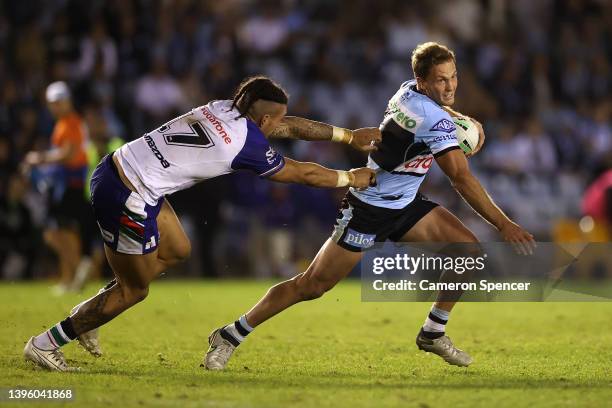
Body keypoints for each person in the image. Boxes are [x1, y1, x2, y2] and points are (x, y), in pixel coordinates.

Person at [205, 42, 536, 370]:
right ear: (423, 82)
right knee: (311, 286)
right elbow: (461, 178)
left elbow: (442, 112)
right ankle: (230, 334)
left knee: (468, 252)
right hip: (368, 208)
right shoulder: (431, 119)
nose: (449, 86)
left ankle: (433, 332)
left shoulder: (407, 91)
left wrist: (462, 121)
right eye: (440, 80)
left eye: (453, 77)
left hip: (405, 204)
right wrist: (503, 224)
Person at [23, 75, 380, 371]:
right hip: (128, 196)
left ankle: (95, 311)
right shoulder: (246, 144)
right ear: (262, 120)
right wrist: (351, 177)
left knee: (178, 249)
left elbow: (289, 126)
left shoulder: (223, 107)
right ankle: (46, 342)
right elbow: (302, 173)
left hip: (120, 167)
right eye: (275, 119)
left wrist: (346, 136)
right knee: (134, 291)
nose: (279, 124)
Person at [22, 81, 89, 295]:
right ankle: (71, 277)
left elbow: (68, 155)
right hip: (68, 183)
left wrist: (38, 158)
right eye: (53, 103)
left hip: (70, 183)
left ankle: (74, 274)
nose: (55, 106)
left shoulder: (70, 123)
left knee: (55, 232)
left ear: (68, 101)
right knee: (63, 232)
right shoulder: (64, 123)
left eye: (59, 102)